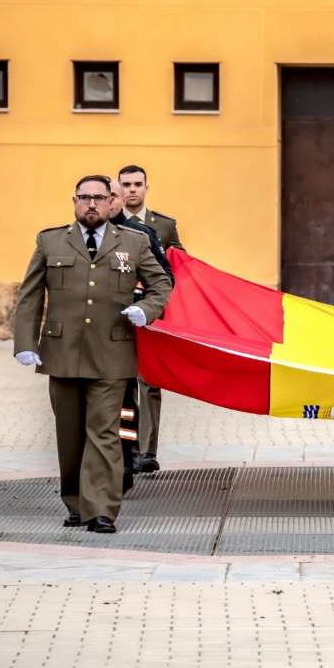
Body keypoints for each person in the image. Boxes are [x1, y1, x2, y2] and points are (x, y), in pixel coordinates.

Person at [12, 174, 171, 533]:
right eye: (85, 197)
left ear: (111, 201)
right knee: (69, 434)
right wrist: (25, 343)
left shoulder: (133, 241)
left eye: (100, 197)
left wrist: (147, 309)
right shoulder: (51, 241)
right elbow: (31, 295)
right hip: (62, 352)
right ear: (74, 201)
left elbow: (162, 284)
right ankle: (76, 502)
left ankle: (101, 509)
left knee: (104, 432)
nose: (92, 204)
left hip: (112, 354)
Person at [105, 180, 174, 490]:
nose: (104, 202)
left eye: (111, 197)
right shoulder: (77, 237)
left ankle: (128, 459)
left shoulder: (142, 235)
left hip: (132, 330)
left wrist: (145, 307)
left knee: (127, 399)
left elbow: (165, 277)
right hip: (93, 335)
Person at [118, 164, 183, 474]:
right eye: (126, 184)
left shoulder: (165, 225)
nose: (132, 189)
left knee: (150, 383)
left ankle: (147, 451)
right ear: (117, 189)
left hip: (153, 317)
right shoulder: (111, 224)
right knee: (122, 384)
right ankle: (127, 449)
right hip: (118, 317)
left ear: (146, 187)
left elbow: (180, 267)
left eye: (137, 184)